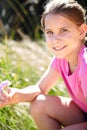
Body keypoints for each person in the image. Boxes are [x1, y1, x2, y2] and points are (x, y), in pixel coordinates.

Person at [0, 0, 87, 129]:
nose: (55, 39)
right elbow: (40, 88)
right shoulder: (61, 58)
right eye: (49, 32)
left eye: (63, 30)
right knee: (39, 103)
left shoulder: (85, 67)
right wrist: (13, 96)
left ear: (82, 31)